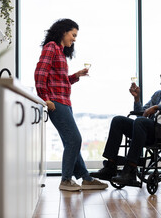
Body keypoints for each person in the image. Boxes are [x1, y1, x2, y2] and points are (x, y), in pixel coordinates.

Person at [34, 18, 108, 191]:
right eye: (73, 35)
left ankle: (86, 178)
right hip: (56, 102)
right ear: (63, 31)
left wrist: (76, 75)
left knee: (71, 141)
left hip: (64, 102)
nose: (74, 39)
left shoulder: (60, 52)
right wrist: (45, 98)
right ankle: (66, 180)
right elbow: (40, 73)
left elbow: (59, 81)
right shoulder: (51, 47)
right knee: (75, 139)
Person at [91, 63, 161, 185]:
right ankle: (110, 166)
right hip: (152, 130)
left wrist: (157, 107)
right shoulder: (158, 94)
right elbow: (141, 115)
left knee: (140, 122)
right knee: (118, 120)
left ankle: (130, 170)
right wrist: (137, 99)